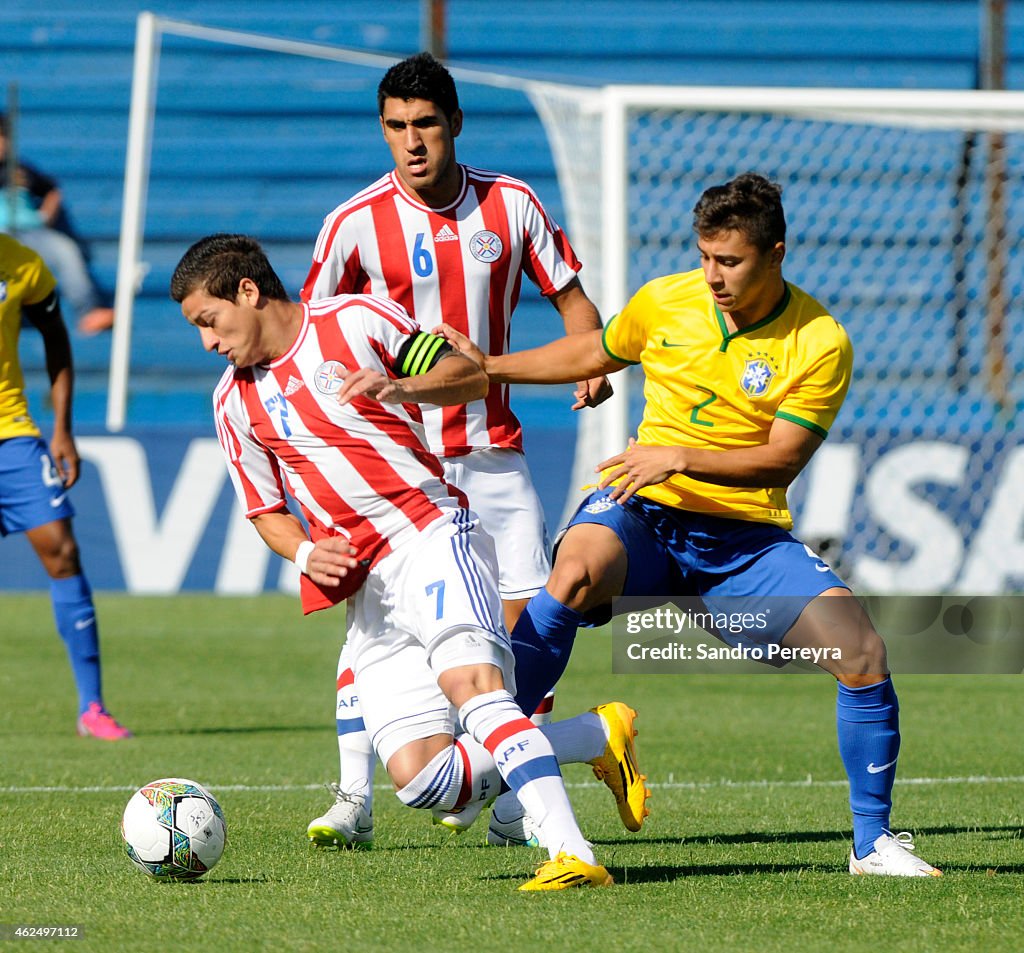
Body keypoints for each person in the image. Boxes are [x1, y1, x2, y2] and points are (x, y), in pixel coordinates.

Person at [440, 172, 942, 878]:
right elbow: (593, 352)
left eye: (730, 261)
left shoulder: (820, 339)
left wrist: (679, 455)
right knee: (574, 571)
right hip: (642, 515)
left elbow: (780, 460)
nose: (713, 275)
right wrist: (490, 364)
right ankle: (490, 756)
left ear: (775, 253)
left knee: (861, 651)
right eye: (706, 257)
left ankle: (872, 844)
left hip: (741, 540)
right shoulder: (666, 300)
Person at [170, 232, 649, 891]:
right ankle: (593, 735)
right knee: (427, 781)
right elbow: (265, 510)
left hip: (430, 534)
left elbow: (466, 372)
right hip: (370, 589)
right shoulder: (234, 402)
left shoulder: (355, 319)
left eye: (209, 321)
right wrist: (308, 550)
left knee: (478, 693)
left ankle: (574, 853)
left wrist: (402, 387)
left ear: (247, 292)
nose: (207, 341)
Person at [301, 51, 612, 847]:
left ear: (454, 124)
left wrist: (591, 369)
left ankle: (516, 795)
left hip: (491, 456)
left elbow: (578, 310)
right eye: (397, 127)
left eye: (426, 125)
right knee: (375, 628)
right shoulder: (351, 225)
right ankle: (352, 798)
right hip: (397, 469)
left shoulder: (511, 205)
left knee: (523, 637)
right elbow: (309, 341)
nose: (412, 143)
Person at [0, 233, 131, 739]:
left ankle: (92, 707)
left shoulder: (21, 265)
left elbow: (56, 336)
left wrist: (62, 429)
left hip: (12, 436)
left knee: (63, 550)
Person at [0, 113, 114, 335]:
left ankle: (88, 310)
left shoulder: (22, 170)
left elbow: (52, 191)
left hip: (30, 232)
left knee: (65, 249)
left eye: (3, 137)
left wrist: (43, 217)